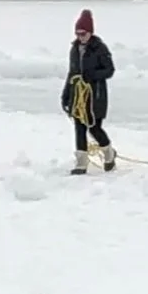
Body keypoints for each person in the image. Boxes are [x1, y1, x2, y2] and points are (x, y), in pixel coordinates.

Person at [62, 10, 116, 173]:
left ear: (90, 32)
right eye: (77, 34)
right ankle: (81, 162)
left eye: (83, 33)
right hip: (78, 95)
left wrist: (92, 76)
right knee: (79, 127)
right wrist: (66, 94)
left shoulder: (99, 48)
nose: (80, 37)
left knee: (94, 127)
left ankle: (109, 153)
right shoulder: (74, 49)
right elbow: (72, 73)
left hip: (95, 96)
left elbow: (109, 70)